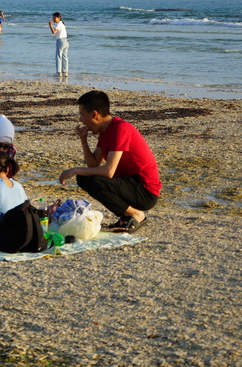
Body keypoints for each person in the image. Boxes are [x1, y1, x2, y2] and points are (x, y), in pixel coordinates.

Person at [59, 90, 161, 233]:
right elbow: (93, 164)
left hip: (145, 191)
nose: (81, 119)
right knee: (84, 178)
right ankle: (127, 215)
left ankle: (136, 214)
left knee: (88, 178)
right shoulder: (105, 131)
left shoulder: (120, 129)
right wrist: (84, 142)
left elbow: (108, 171)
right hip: (129, 184)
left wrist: (74, 169)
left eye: (82, 114)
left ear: (94, 114)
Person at [49, 12, 69, 76]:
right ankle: (65, 72)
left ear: (59, 18)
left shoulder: (59, 24)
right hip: (66, 41)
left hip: (60, 41)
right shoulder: (62, 24)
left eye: (55, 18)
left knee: (58, 57)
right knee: (64, 57)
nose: (54, 19)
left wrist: (50, 25)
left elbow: (54, 32)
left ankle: (58, 72)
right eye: (53, 18)